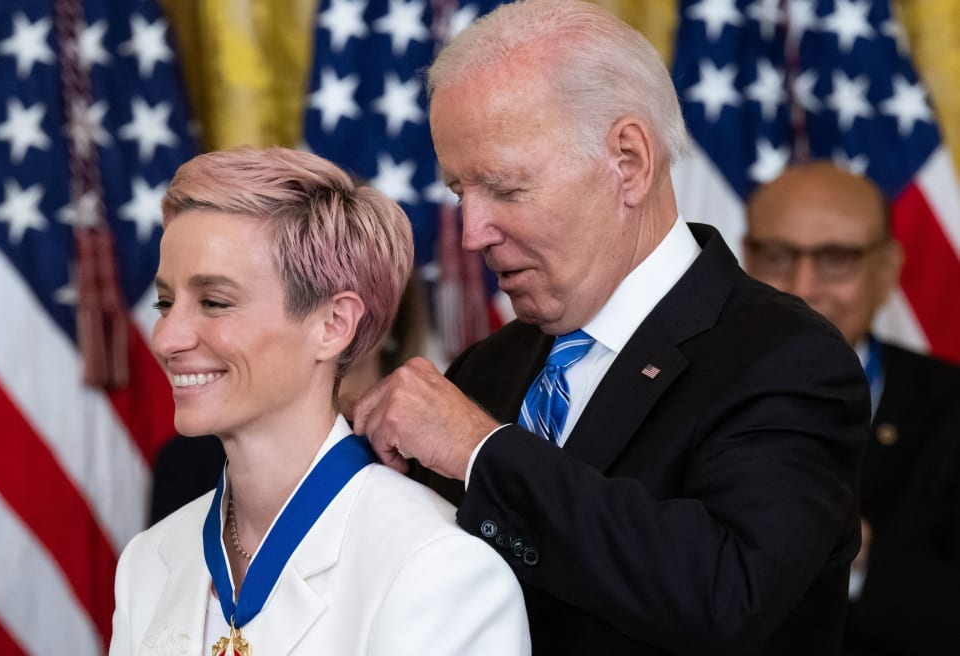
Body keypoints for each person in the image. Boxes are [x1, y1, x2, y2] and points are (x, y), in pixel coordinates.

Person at [351, 1, 869, 654]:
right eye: (460, 193)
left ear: (627, 162)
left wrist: (482, 450)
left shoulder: (787, 358)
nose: (474, 232)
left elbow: (728, 594)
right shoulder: (488, 369)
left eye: (505, 189)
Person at [109, 146, 530, 655]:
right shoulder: (147, 561)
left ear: (333, 326)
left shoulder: (438, 568)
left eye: (215, 302)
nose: (166, 338)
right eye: (166, 303)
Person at [744, 161, 960, 656]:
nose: (803, 286)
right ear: (745, 261)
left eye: (836, 258)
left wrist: (853, 554)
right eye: (778, 256)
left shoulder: (951, 409)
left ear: (887, 270)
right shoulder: (674, 383)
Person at [147, 275, 427, 525]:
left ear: (395, 314)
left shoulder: (426, 446)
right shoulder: (189, 459)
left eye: (214, 302)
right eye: (165, 304)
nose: (335, 318)